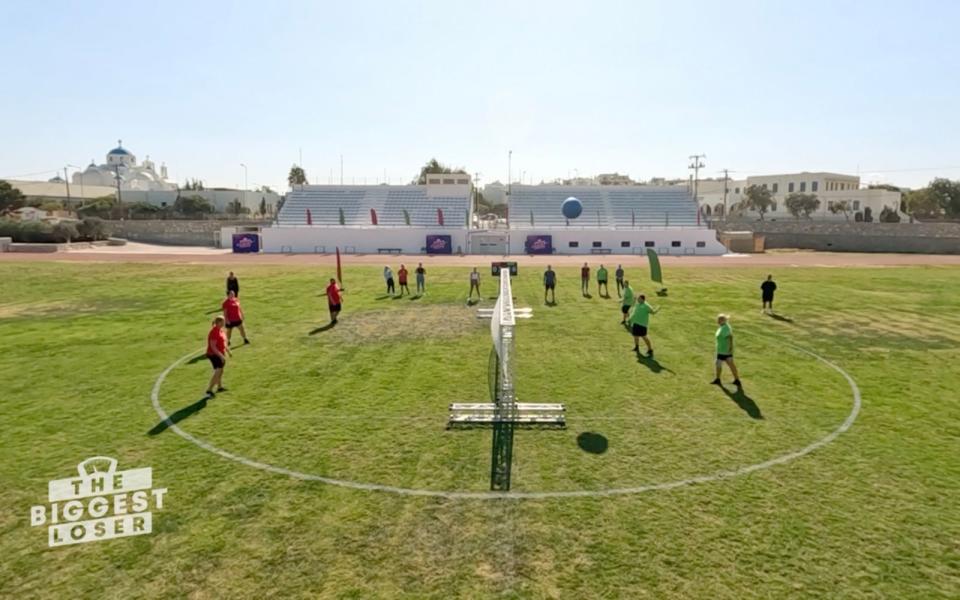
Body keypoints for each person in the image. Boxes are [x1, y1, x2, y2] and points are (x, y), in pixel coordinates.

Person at [712, 314, 742, 388]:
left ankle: (737, 380)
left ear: (723, 320)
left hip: (725, 350)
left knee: (730, 364)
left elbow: (730, 337)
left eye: (719, 319)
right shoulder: (722, 327)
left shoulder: (726, 327)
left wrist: (730, 347)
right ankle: (718, 379)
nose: (717, 321)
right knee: (718, 364)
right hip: (721, 350)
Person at [204, 316, 230, 398]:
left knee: (220, 371)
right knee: (218, 371)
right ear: (218, 322)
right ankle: (209, 389)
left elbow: (223, 342)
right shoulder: (214, 332)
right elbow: (213, 346)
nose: (224, 323)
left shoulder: (220, 330)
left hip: (219, 353)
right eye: (223, 321)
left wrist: (228, 351)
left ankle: (219, 387)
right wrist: (221, 356)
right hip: (213, 354)